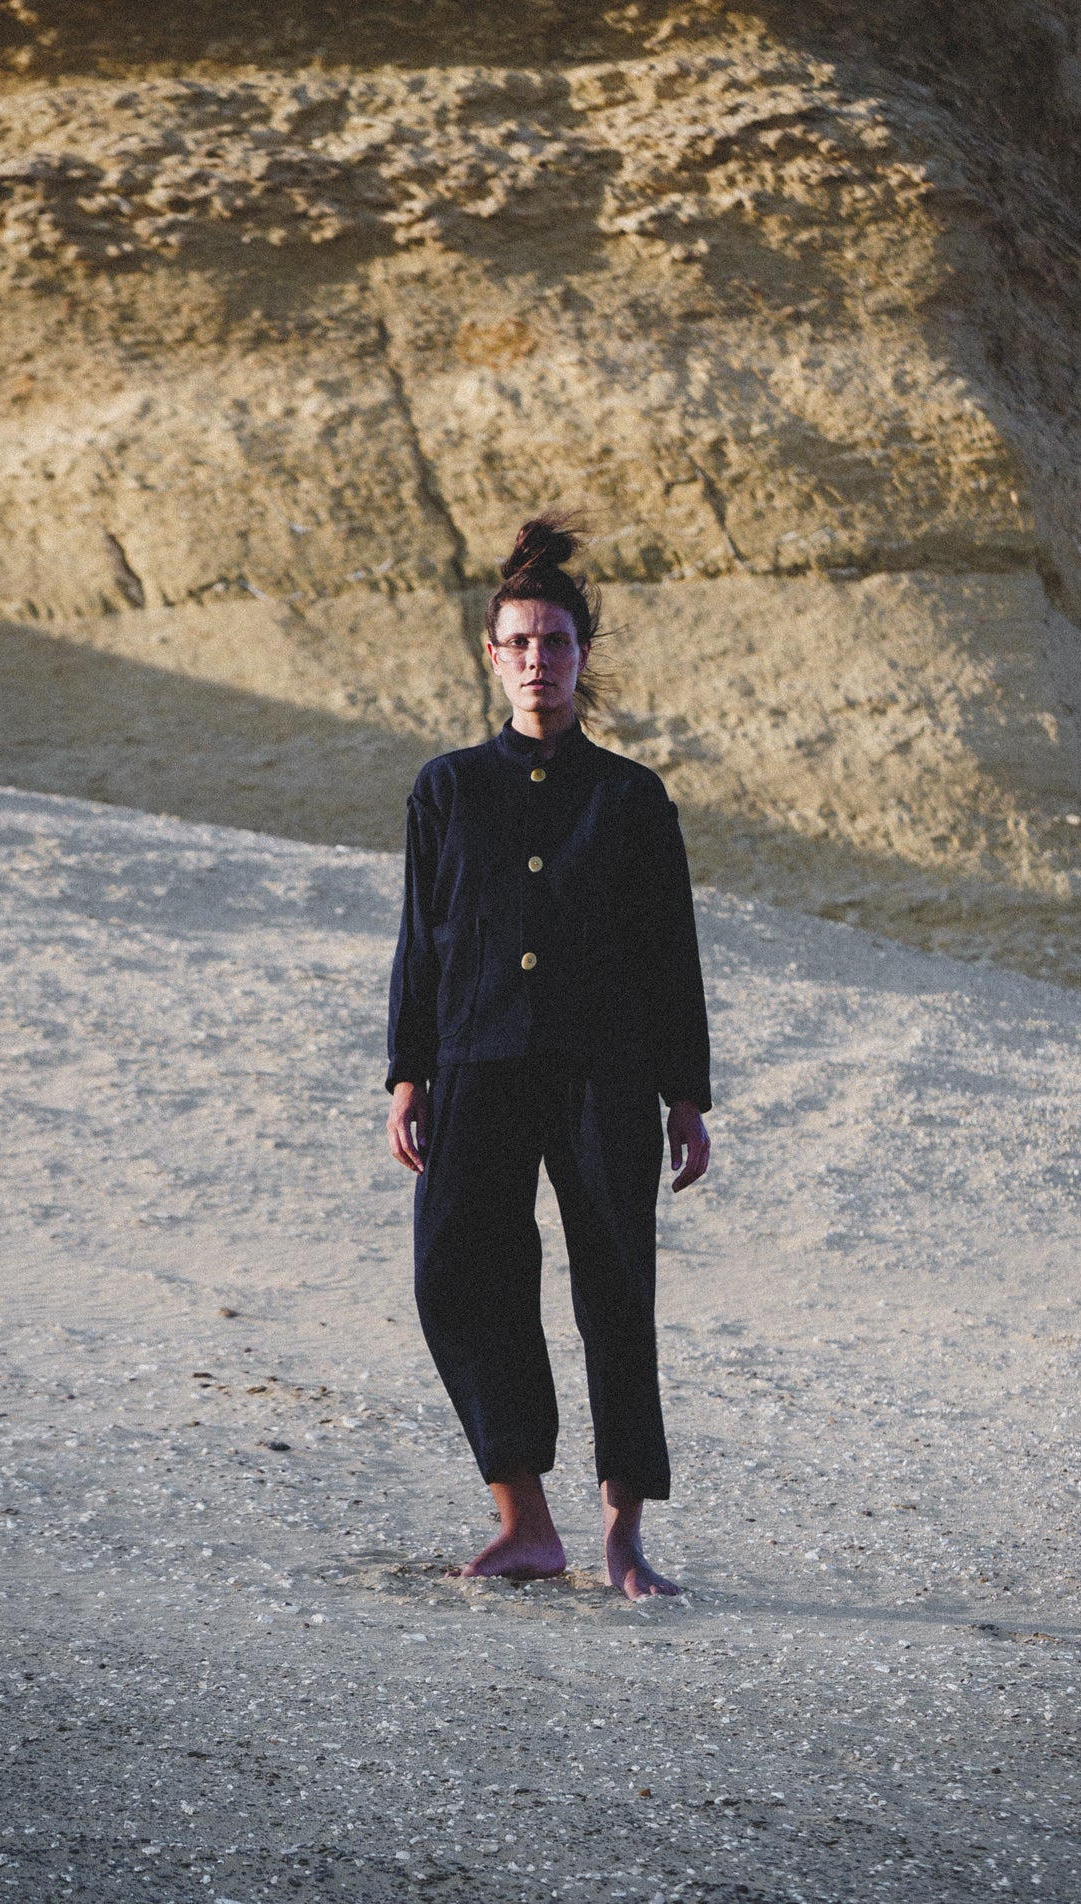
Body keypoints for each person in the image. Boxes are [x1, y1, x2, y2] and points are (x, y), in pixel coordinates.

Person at [385, 514, 712, 1600]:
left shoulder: (631, 798)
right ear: (492, 655)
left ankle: (623, 1538)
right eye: (519, 642)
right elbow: (420, 941)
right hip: (476, 1061)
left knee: (616, 1289)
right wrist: (407, 1072)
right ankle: (524, 1519)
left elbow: (671, 955)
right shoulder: (446, 791)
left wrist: (686, 1094)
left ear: (582, 655)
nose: (538, 660)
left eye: (556, 642)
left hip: (602, 1076)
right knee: (457, 1271)